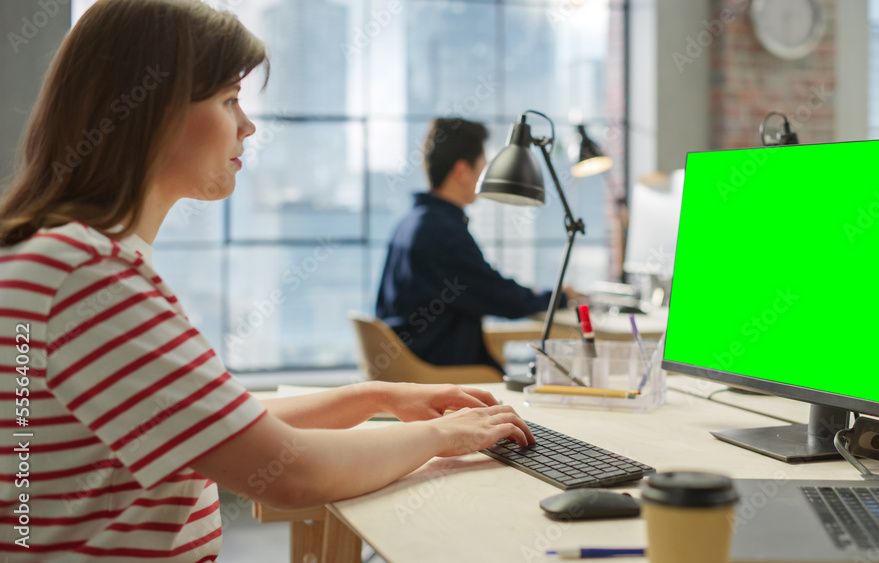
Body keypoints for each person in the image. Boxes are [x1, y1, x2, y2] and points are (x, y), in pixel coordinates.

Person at [0, 1, 533, 561]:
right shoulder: (88, 277)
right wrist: (449, 437)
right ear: (152, 110)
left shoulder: (59, 257)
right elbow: (291, 473)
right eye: (230, 100)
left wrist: (377, 396)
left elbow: (222, 423)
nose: (248, 125)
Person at [376, 118, 578, 372]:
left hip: (412, 359)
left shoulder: (412, 222)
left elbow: (484, 288)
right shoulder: (441, 233)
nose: (485, 176)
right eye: (483, 166)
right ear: (462, 170)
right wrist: (562, 297)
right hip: (436, 369)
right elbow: (500, 297)